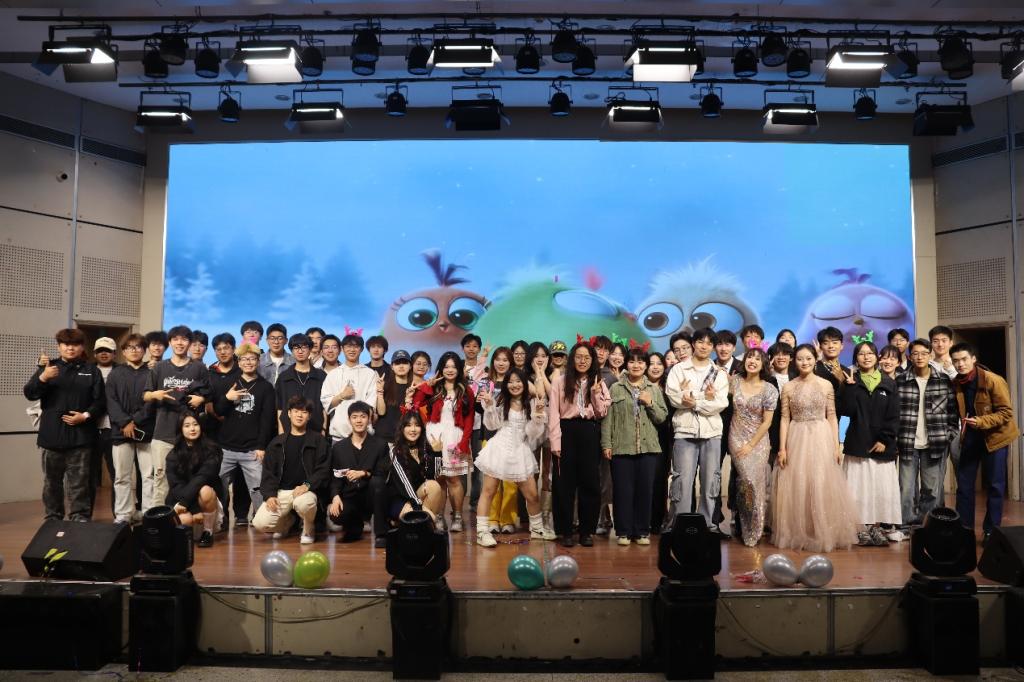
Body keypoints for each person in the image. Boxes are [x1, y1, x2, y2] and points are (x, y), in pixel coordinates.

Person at [772, 344, 859, 552]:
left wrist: (836, 445)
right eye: (800, 359)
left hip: (821, 436)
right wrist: (782, 448)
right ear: (794, 361)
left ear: (815, 359)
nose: (805, 362)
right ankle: (800, 531)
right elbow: (784, 418)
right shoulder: (788, 387)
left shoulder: (826, 385)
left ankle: (822, 531)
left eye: (809, 358)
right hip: (797, 436)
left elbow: (832, 416)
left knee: (820, 483)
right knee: (798, 484)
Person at [24, 328, 105, 521]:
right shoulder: (48, 367)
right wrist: (43, 377)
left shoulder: (91, 370)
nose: (70, 348)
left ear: (82, 347)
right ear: (59, 346)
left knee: (80, 482)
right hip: (51, 436)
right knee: (51, 482)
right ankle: (53, 517)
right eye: (66, 344)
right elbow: (30, 393)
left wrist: (85, 416)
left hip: (81, 436)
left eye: (75, 344)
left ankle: (80, 517)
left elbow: (100, 401)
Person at [475, 368, 555, 547]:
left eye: (518, 381)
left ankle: (537, 529)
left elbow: (533, 433)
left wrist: (538, 416)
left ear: (525, 384)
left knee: (532, 495)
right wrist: (489, 406)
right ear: (506, 385)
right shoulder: (500, 400)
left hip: (520, 451)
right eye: (510, 382)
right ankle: (482, 532)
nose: (514, 385)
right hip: (498, 449)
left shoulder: (532, 403)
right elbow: (492, 425)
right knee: (488, 491)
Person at [951, 343, 1019, 544]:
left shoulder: (993, 380)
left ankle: (991, 531)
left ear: (973, 359)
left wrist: (981, 421)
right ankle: (964, 530)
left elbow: (1006, 413)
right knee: (964, 486)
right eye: (956, 361)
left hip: (996, 438)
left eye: (964, 359)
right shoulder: (956, 383)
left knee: (995, 486)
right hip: (972, 437)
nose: (960, 364)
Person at [664, 328, 729, 533]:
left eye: (709, 343)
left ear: (713, 347)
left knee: (711, 481)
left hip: (712, 433)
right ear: (693, 344)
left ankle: (708, 524)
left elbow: (720, 403)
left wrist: (694, 401)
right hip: (684, 431)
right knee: (682, 481)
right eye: (700, 341)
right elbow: (674, 398)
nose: (704, 346)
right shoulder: (679, 369)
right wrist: (704, 398)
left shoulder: (719, 373)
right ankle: (679, 524)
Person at [601, 348, 668, 546]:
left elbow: (662, 417)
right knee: (623, 491)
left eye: (640, 362)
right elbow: (608, 419)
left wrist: (650, 403)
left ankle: (642, 531)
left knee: (645, 491)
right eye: (632, 361)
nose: (636, 365)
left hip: (648, 448)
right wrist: (606, 444)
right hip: (621, 447)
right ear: (626, 364)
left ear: (645, 365)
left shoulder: (653, 389)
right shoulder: (616, 388)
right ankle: (623, 531)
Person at [548, 341, 611, 547]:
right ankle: (565, 531)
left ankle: (586, 531)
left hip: (589, 432)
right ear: (572, 359)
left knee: (590, 483)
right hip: (566, 431)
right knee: (563, 484)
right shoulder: (560, 381)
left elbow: (601, 412)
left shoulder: (599, 382)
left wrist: (594, 392)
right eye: (578, 357)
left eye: (587, 357)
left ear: (592, 360)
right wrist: (555, 442)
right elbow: (553, 413)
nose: (582, 361)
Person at [839, 342, 902, 546]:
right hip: (858, 443)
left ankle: (876, 527)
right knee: (858, 488)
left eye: (870, 353)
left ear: (877, 357)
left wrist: (885, 439)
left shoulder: (888, 383)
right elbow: (846, 411)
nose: (866, 357)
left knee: (880, 489)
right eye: (861, 354)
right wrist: (849, 388)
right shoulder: (851, 381)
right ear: (856, 358)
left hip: (882, 445)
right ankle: (860, 528)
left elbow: (894, 415)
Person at [143, 325, 210, 510]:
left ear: (189, 343)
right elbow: (145, 395)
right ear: (170, 343)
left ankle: (186, 519)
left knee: (190, 478)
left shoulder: (198, 368)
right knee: (161, 478)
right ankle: (159, 519)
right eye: (176, 339)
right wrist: (154, 395)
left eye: (184, 339)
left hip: (190, 435)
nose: (180, 343)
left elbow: (209, 393)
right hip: (163, 433)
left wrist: (202, 399)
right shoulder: (159, 367)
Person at [896, 338, 958, 529]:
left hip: (935, 444)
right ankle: (906, 526)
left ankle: (926, 526)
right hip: (907, 442)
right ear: (909, 356)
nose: (920, 357)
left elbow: (953, 413)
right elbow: (893, 413)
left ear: (930, 355)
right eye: (915, 353)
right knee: (906, 489)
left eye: (924, 353)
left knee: (931, 490)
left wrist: (948, 436)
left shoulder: (943, 380)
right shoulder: (901, 380)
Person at [411, 351, 476, 533]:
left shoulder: (466, 391)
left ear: (459, 369)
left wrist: (464, 442)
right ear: (441, 368)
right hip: (434, 439)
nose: (450, 370)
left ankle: (457, 516)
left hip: (455, 439)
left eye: (453, 366)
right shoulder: (434, 388)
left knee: (454, 479)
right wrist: (426, 387)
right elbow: (416, 405)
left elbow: (469, 418)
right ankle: (438, 515)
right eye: (446, 366)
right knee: (438, 479)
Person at [253, 396, 330, 545]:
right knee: (260, 523)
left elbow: (323, 470)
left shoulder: (319, 441)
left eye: (304, 412)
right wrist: (269, 495)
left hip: (307, 490)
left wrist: (307, 485)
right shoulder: (276, 443)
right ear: (289, 413)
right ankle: (289, 521)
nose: (299, 415)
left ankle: (308, 528)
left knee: (303, 504)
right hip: (282, 492)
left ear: (309, 416)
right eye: (296, 411)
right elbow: (268, 473)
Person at [214, 342, 277, 522]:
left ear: (258, 361)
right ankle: (220, 519)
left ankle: (262, 520)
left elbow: (267, 420)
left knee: (259, 488)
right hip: (227, 447)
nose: (248, 362)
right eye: (244, 359)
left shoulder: (266, 387)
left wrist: (261, 446)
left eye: (252, 359)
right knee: (218, 485)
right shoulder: (230, 382)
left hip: (252, 449)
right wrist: (228, 398)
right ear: (239, 362)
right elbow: (218, 411)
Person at [727, 348, 778, 547]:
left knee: (755, 484)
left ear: (763, 364)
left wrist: (751, 444)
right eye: (750, 357)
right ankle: (746, 526)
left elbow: (767, 422)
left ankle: (755, 527)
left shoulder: (769, 389)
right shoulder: (735, 381)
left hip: (758, 441)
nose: (752, 361)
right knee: (745, 482)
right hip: (736, 437)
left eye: (757, 359)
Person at [105, 334, 154, 524]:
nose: (134, 350)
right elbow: (111, 401)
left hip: (146, 432)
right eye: (129, 347)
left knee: (149, 476)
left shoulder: (152, 373)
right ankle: (124, 513)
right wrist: (125, 422)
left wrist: (135, 421)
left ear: (144, 350)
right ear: (123, 352)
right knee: (121, 477)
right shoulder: (115, 374)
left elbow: (152, 402)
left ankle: (149, 513)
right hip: (121, 432)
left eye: (138, 347)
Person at [328, 401, 390, 545]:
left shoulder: (380, 445)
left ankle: (381, 534)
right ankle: (355, 525)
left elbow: (383, 473)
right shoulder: (339, 448)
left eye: (363, 416)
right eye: (354, 417)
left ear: (369, 419)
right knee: (336, 514)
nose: (359, 420)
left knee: (378, 483)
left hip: (371, 496)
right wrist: (335, 496)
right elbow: (335, 477)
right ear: (349, 420)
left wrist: (364, 473)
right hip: (350, 496)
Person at [165, 414, 223, 548]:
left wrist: (187, 503)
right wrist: (194, 509)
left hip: (205, 502)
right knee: (185, 520)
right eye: (187, 425)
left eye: (195, 424)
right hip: (183, 500)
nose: (192, 429)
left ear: (201, 426)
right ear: (180, 429)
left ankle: (208, 532)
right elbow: (176, 486)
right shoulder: (173, 455)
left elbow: (203, 477)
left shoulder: (212, 449)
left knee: (205, 490)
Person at [386, 411, 445, 522]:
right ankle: (413, 521)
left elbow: (433, 477)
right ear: (402, 428)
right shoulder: (395, 451)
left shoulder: (424, 448)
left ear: (421, 428)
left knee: (434, 486)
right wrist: (419, 508)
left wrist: (437, 453)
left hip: (417, 496)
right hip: (400, 499)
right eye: (408, 425)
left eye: (417, 425)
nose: (413, 429)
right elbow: (405, 484)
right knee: (426, 519)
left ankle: (421, 522)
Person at [321, 333, 379, 442]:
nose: (352, 350)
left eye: (356, 346)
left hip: (364, 436)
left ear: (361, 349)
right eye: (348, 346)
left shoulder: (369, 373)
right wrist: (342, 395)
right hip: (338, 436)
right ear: (342, 349)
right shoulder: (333, 374)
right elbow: (326, 402)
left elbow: (371, 404)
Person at [275, 333, 328, 436]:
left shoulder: (321, 376)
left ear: (310, 349)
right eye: (296, 348)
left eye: (304, 347)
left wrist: (323, 431)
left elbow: (324, 408)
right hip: (289, 432)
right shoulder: (284, 377)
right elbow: (280, 409)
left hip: (315, 432)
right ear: (291, 351)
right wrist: (281, 435)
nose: (300, 351)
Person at [646, 352, 674, 534]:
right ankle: (643, 519)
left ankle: (657, 520)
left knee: (659, 480)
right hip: (643, 438)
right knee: (644, 481)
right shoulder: (639, 386)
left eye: (659, 363)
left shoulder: (669, 388)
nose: (655, 367)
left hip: (663, 439)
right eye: (651, 363)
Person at [90, 337, 117, 512]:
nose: (104, 354)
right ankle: (85, 515)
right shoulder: (87, 371)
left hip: (114, 430)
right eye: (100, 351)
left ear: (114, 353)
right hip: (90, 430)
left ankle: (118, 515)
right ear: (95, 354)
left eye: (107, 350)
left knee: (117, 476)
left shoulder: (122, 371)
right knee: (88, 475)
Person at [377, 350, 413, 444]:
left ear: (410, 366)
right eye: (397, 363)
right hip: (383, 437)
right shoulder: (385, 385)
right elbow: (381, 412)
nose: (401, 366)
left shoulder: (413, 388)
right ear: (392, 367)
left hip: (405, 439)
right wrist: (380, 391)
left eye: (404, 363)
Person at [813, 326, 847, 413]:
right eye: (826, 343)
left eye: (835, 342)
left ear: (841, 346)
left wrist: (842, 380)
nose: (831, 346)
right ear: (820, 346)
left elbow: (849, 404)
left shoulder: (848, 372)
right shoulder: (812, 367)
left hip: (836, 417)